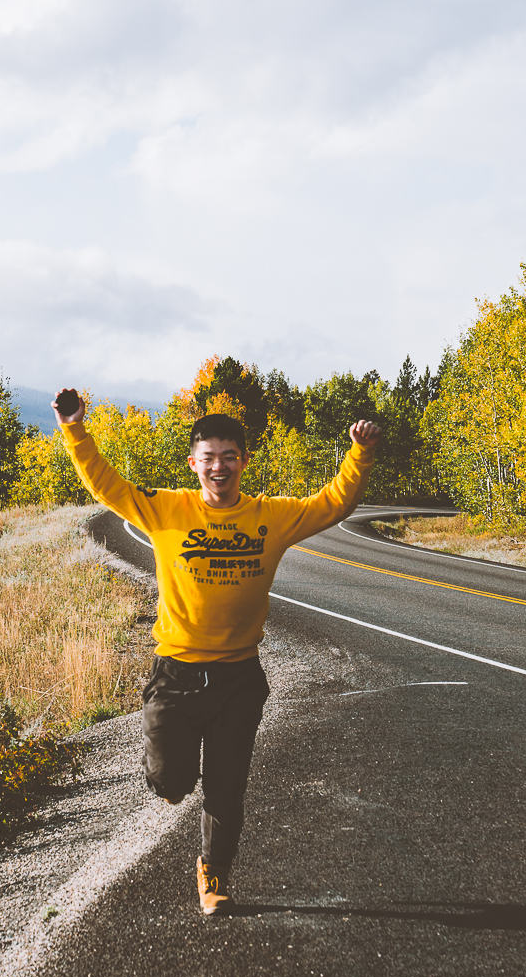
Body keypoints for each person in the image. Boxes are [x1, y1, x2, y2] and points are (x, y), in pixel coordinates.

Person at [54, 389, 379, 914]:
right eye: (209, 458)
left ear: (243, 462)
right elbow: (105, 483)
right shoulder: (165, 510)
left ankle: (214, 877)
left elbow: (334, 503)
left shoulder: (270, 517)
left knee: (227, 788)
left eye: (229, 457)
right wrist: (73, 427)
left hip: (238, 680)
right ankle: (168, 772)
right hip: (176, 675)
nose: (219, 466)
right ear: (194, 464)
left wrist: (358, 452)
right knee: (172, 783)